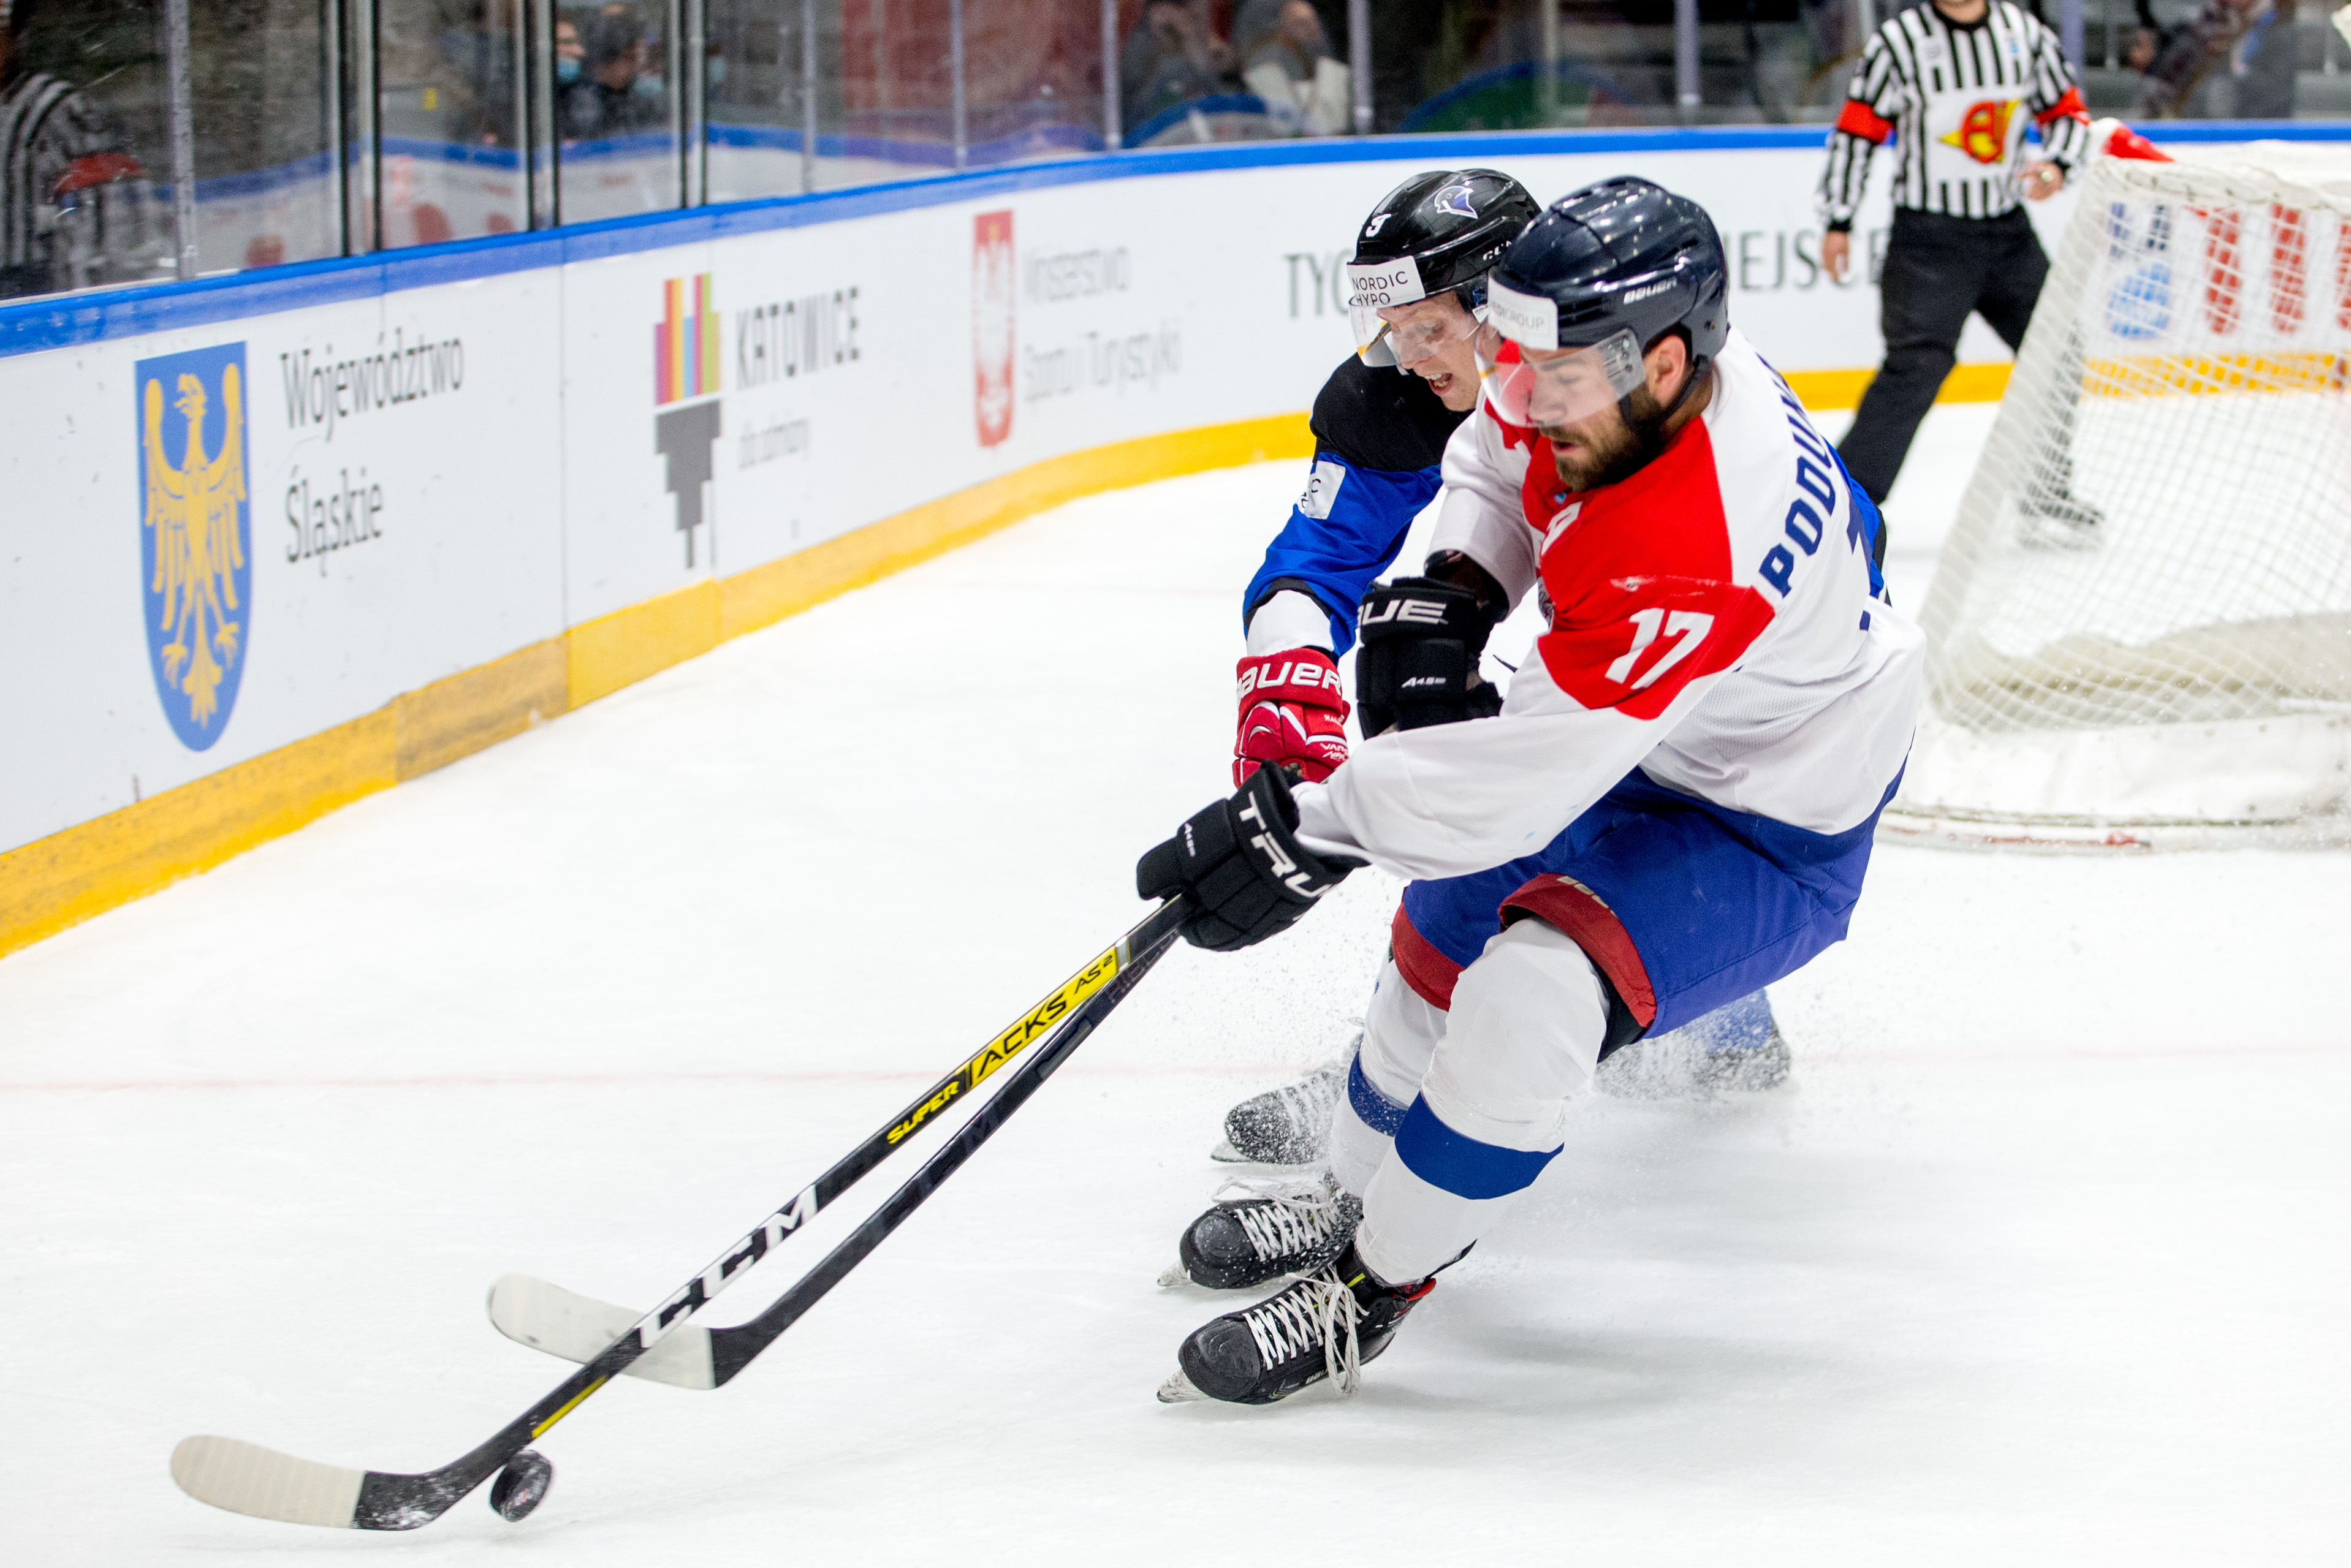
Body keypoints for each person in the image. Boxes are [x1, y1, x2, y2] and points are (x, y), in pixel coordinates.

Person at [1136, 176, 1921, 1406]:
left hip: (1774, 820)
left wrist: (1304, 831)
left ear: (1663, 367)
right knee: (1444, 917)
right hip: (1677, 724)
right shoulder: (1589, 368)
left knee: (1533, 988)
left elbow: (1502, 790)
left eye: (1538, 373)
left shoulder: (1696, 536)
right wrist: (1457, 579)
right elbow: (1495, 456)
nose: (1515, 388)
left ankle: (1369, 1284)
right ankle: (1351, 1183)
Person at [1209, 169, 1791, 1181]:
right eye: (1388, 328)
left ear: (1497, 305)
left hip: (1732, 670)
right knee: (1496, 775)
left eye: (1427, 326)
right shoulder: (1399, 403)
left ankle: (1448, 1061)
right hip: (1620, 644)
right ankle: (1698, 1036)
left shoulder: (1652, 410)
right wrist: (1286, 666)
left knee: (1558, 796)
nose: (1404, 356)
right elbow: (1316, 552)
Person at [1819, 0, 2098, 535]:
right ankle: (1843, 506)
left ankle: (2045, 494)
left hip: (2007, 231)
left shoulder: (2025, 35)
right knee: (1917, 366)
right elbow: (1857, 132)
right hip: (1929, 239)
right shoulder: (1900, 42)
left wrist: (2058, 163)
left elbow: (2067, 115)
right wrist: (1839, 217)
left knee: (2057, 349)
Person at [0, 0, 153, 300]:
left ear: (16, 36)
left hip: (32, 294)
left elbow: (107, 230)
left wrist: (84, 312)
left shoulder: (55, 109)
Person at [1120, 0, 1236, 136]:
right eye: (1179, 8)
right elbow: (1135, 105)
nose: (1184, 14)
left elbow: (1219, 96)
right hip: (1152, 133)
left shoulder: (1195, 41)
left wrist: (1191, 41)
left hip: (1198, 129)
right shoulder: (1139, 45)